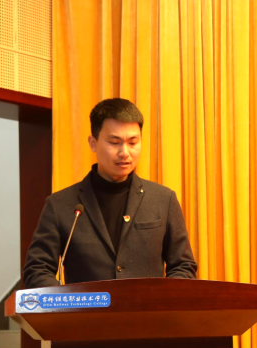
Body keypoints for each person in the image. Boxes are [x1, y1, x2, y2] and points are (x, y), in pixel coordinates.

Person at [22, 98, 197, 288]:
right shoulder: (60, 205)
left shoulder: (163, 199)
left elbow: (183, 266)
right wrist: (66, 300)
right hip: (86, 307)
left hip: (148, 308)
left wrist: (161, 299)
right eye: (114, 142)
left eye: (133, 142)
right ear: (93, 143)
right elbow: (37, 270)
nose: (125, 152)